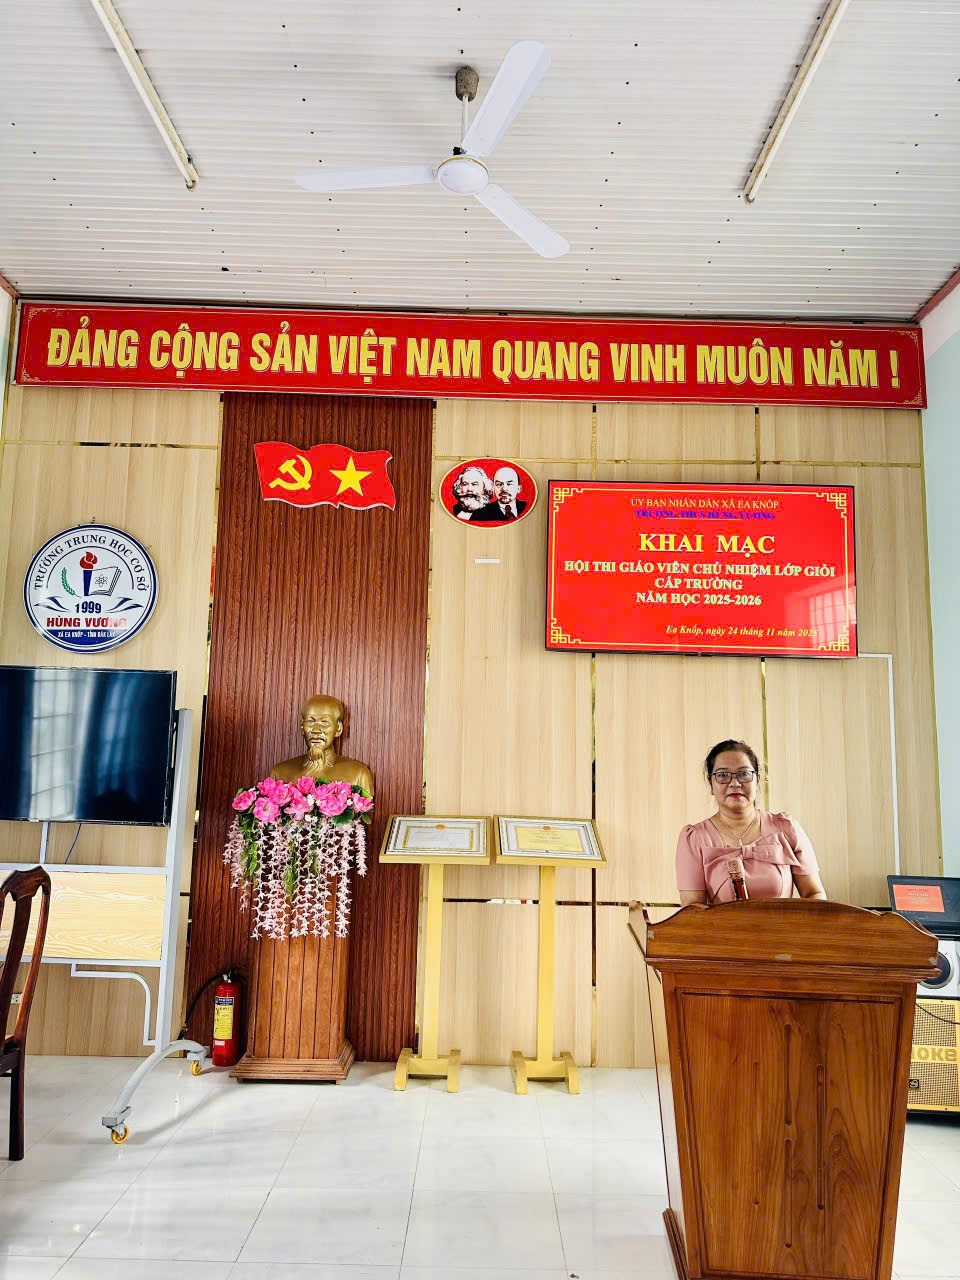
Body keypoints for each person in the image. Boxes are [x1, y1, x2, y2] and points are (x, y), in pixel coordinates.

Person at [675, 739, 827, 905]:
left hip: (783, 923)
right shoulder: (694, 838)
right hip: (722, 924)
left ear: (757, 779)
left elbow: (814, 893)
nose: (735, 783)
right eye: (723, 775)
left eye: (744, 774)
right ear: (711, 783)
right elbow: (693, 910)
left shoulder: (786, 828)